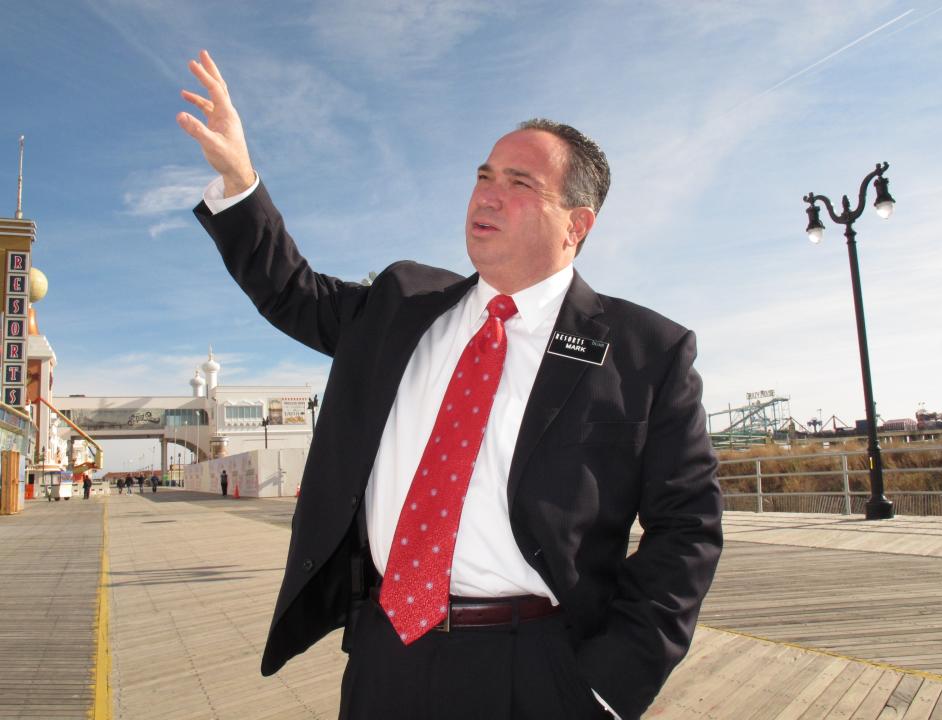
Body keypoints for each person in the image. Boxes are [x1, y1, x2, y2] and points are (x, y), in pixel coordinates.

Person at [179, 50, 722, 720]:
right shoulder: (402, 302)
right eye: (483, 174)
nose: (486, 193)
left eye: (519, 183)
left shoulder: (647, 352)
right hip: (385, 655)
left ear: (577, 225)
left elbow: (688, 528)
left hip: (538, 669)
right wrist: (239, 181)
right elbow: (293, 291)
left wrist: (609, 684)